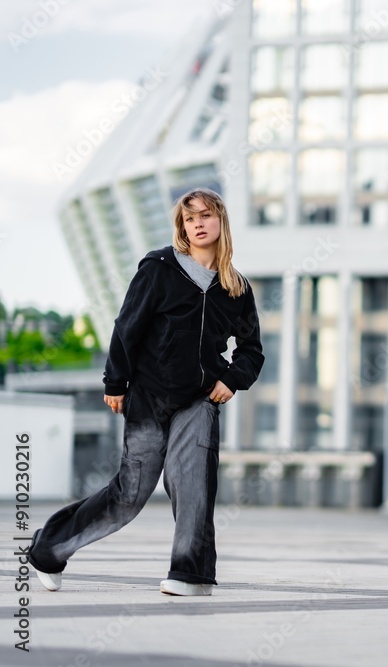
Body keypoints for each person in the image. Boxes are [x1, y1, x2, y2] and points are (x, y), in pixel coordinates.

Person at [27, 187, 265, 596]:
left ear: (221, 221)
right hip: (149, 396)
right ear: (182, 226)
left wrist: (232, 379)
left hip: (200, 399)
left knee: (193, 484)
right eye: (190, 219)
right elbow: (127, 326)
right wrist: (115, 381)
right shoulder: (159, 268)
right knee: (130, 493)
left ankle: (190, 574)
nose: (199, 224)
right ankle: (49, 549)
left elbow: (252, 349)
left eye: (206, 216)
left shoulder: (236, 288)